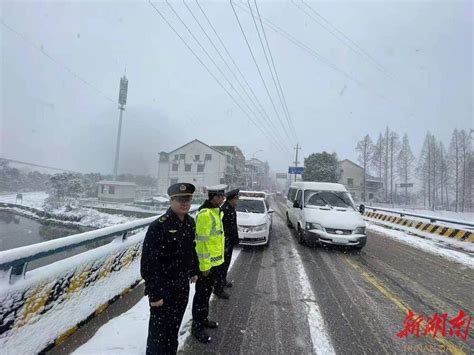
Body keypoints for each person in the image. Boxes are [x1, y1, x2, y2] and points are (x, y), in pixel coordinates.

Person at [140, 183, 199, 354]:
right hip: (163, 290)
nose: (185, 203)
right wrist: (155, 294)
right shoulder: (158, 226)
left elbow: (190, 249)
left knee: (173, 331)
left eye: (188, 199)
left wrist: (193, 269)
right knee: (158, 336)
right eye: (180, 199)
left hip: (181, 287)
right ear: (171, 200)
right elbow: (148, 265)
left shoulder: (189, 222)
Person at [191, 184, 227, 343]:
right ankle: (197, 327)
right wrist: (204, 267)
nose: (223, 198)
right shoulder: (205, 214)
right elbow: (201, 243)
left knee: (206, 295)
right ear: (214, 197)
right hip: (206, 266)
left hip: (215, 263)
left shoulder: (216, 211)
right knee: (201, 296)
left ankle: (203, 319)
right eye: (221, 196)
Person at [214, 189, 240, 299]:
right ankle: (218, 289)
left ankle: (223, 281)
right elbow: (222, 230)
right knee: (221, 266)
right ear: (231, 199)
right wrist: (224, 245)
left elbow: (233, 226)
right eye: (236, 199)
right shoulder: (224, 210)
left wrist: (236, 239)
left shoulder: (231, 208)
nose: (237, 200)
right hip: (225, 243)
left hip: (230, 242)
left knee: (226, 264)